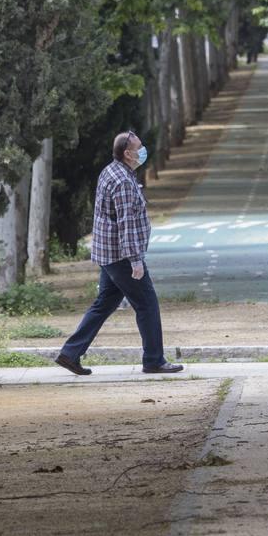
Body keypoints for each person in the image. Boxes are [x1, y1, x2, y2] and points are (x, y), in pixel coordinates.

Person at [55, 131, 184, 376]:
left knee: (104, 303)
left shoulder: (112, 170)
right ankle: (154, 360)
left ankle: (70, 353)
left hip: (109, 253)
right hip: (121, 255)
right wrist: (135, 260)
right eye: (139, 147)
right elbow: (126, 223)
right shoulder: (123, 181)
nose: (143, 151)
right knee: (147, 304)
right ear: (127, 153)